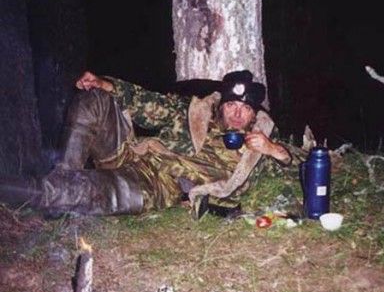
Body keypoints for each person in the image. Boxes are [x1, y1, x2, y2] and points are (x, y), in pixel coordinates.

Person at [0, 70, 292, 218]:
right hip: (131, 153)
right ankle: (65, 171)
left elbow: (297, 166)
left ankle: (26, 190)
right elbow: (149, 103)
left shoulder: (259, 146)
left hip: (153, 183)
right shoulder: (195, 113)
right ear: (221, 106)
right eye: (231, 105)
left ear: (254, 114)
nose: (237, 114)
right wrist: (106, 83)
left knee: (73, 192)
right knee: (96, 98)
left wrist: (273, 150)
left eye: (245, 109)